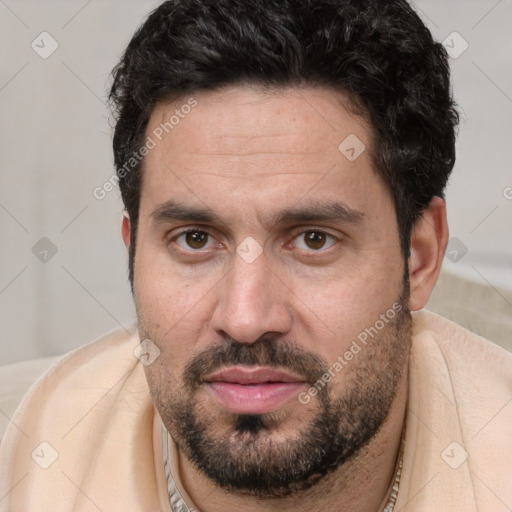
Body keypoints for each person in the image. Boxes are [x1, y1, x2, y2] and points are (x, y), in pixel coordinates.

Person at [1, 0, 511, 511]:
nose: (245, 320)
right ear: (133, 254)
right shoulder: (18, 463)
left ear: (418, 259)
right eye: (195, 239)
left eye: (314, 239)